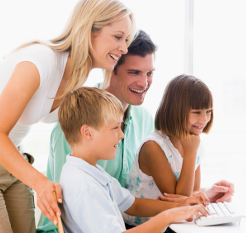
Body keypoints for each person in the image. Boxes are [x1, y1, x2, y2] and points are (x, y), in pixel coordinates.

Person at [0, 1, 135, 232]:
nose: (124, 48)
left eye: (127, 40)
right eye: (118, 37)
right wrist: (41, 183)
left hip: (11, 157)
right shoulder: (40, 60)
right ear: (88, 30)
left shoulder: (78, 77)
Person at [37, 30, 156, 232]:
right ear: (111, 69)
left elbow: (134, 196)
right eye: (134, 72)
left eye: (150, 73)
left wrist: (191, 201)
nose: (144, 83)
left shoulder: (145, 119)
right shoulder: (78, 119)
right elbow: (61, 205)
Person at [57, 86, 210, 233]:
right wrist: (168, 216)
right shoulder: (86, 187)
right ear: (88, 133)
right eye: (115, 128)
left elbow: (133, 205)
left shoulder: (89, 171)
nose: (122, 134)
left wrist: (180, 205)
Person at [123, 75, 234, 227]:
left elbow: (192, 192)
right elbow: (180, 197)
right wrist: (190, 153)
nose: (204, 119)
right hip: (141, 225)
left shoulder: (194, 144)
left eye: (208, 111)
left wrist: (206, 194)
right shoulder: (153, 146)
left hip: (171, 222)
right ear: (176, 111)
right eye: (196, 112)